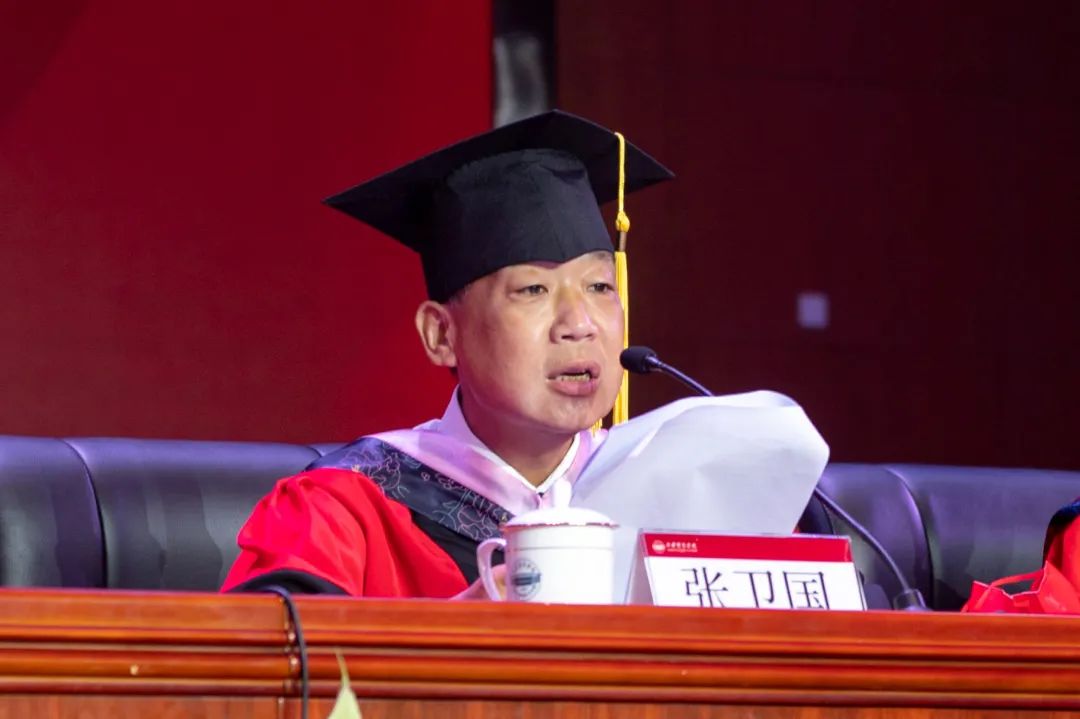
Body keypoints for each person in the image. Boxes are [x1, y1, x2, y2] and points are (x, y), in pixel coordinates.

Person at [221, 111, 673, 597]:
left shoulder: (665, 490)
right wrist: (468, 623)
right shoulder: (343, 507)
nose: (579, 324)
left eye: (600, 287)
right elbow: (265, 643)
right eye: (533, 289)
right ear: (440, 334)